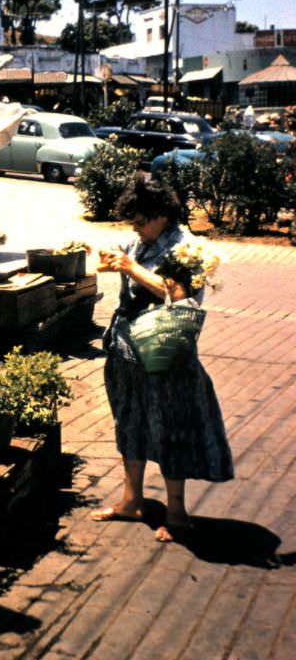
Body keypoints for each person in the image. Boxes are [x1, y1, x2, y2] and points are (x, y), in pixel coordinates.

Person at [92, 176, 234, 543]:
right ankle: (131, 502)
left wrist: (130, 267)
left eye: (141, 222)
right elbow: (125, 263)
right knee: (129, 423)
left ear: (162, 215)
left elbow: (176, 293)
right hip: (127, 352)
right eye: (132, 223)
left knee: (169, 427)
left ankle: (177, 512)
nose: (136, 230)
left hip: (164, 354)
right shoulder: (139, 242)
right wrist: (112, 258)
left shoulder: (187, 248)